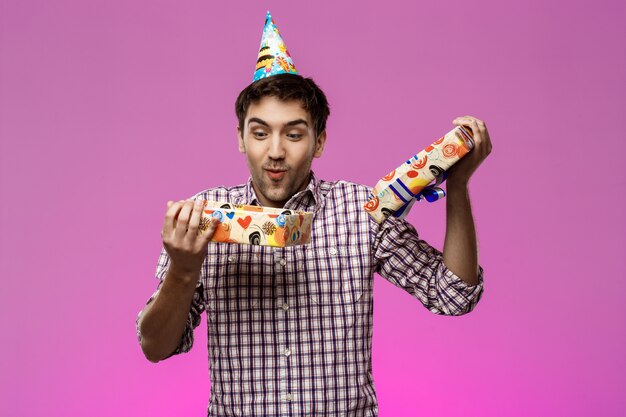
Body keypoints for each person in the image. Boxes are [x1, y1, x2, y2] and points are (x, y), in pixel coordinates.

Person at [136, 12, 491, 417]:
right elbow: (155, 346)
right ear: (240, 138)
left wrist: (458, 187)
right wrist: (183, 269)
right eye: (259, 132)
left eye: (293, 133)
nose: (275, 150)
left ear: (318, 141)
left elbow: (453, 295)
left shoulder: (361, 213)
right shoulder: (205, 218)